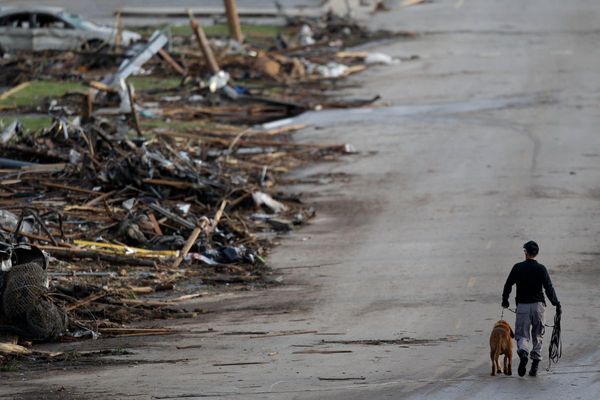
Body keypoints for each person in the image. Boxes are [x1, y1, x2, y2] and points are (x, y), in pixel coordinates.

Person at [502, 241, 561, 377]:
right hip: (538, 307)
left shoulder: (517, 267)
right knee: (538, 335)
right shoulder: (541, 269)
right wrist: (556, 303)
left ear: (525, 252)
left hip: (522, 306)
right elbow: (548, 288)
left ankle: (523, 352)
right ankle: (534, 365)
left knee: (522, 335)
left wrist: (505, 300)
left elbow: (508, 285)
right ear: (537, 253)